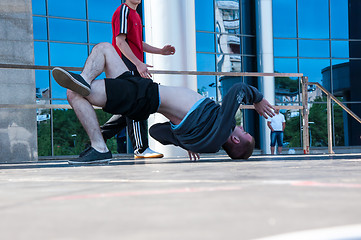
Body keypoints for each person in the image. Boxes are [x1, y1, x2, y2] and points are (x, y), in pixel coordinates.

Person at [52, 42, 275, 164]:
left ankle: (99, 147)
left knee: (74, 94)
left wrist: (258, 99)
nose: (242, 127)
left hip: (143, 95)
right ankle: (84, 80)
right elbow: (157, 131)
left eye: (244, 132)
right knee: (104, 49)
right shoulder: (207, 141)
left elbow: (237, 90)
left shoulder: (221, 130)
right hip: (144, 93)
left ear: (235, 138)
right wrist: (184, 141)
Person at [100, 0, 176, 159]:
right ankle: (141, 149)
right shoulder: (123, 11)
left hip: (133, 67)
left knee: (129, 108)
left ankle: (98, 136)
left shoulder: (135, 15)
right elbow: (120, 41)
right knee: (137, 104)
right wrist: (138, 64)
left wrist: (160, 51)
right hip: (124, 67)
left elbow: (138, 43)